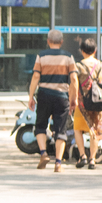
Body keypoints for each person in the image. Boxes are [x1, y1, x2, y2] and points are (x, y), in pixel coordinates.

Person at [28, 29, 77, 173]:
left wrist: (31, 96)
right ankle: (58, 163)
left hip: (44, 94)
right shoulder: (68, 57)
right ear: (61, 42)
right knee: (60, 129)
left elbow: (36, 77)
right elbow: (74, 79)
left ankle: (43, 153)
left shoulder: (41, 56)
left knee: (41, 125)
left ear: (48, 41)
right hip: (62, 96)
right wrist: (73, 98)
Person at [72, 38, 102, 170]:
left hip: (82, 104)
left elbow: (74, 85)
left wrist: (73, 100)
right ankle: (92, 160)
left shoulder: (78, 66)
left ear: (82, 51)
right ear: (95, 51)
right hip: (98, 103)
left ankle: (82, 155)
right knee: (94, 130)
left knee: (77, 129)